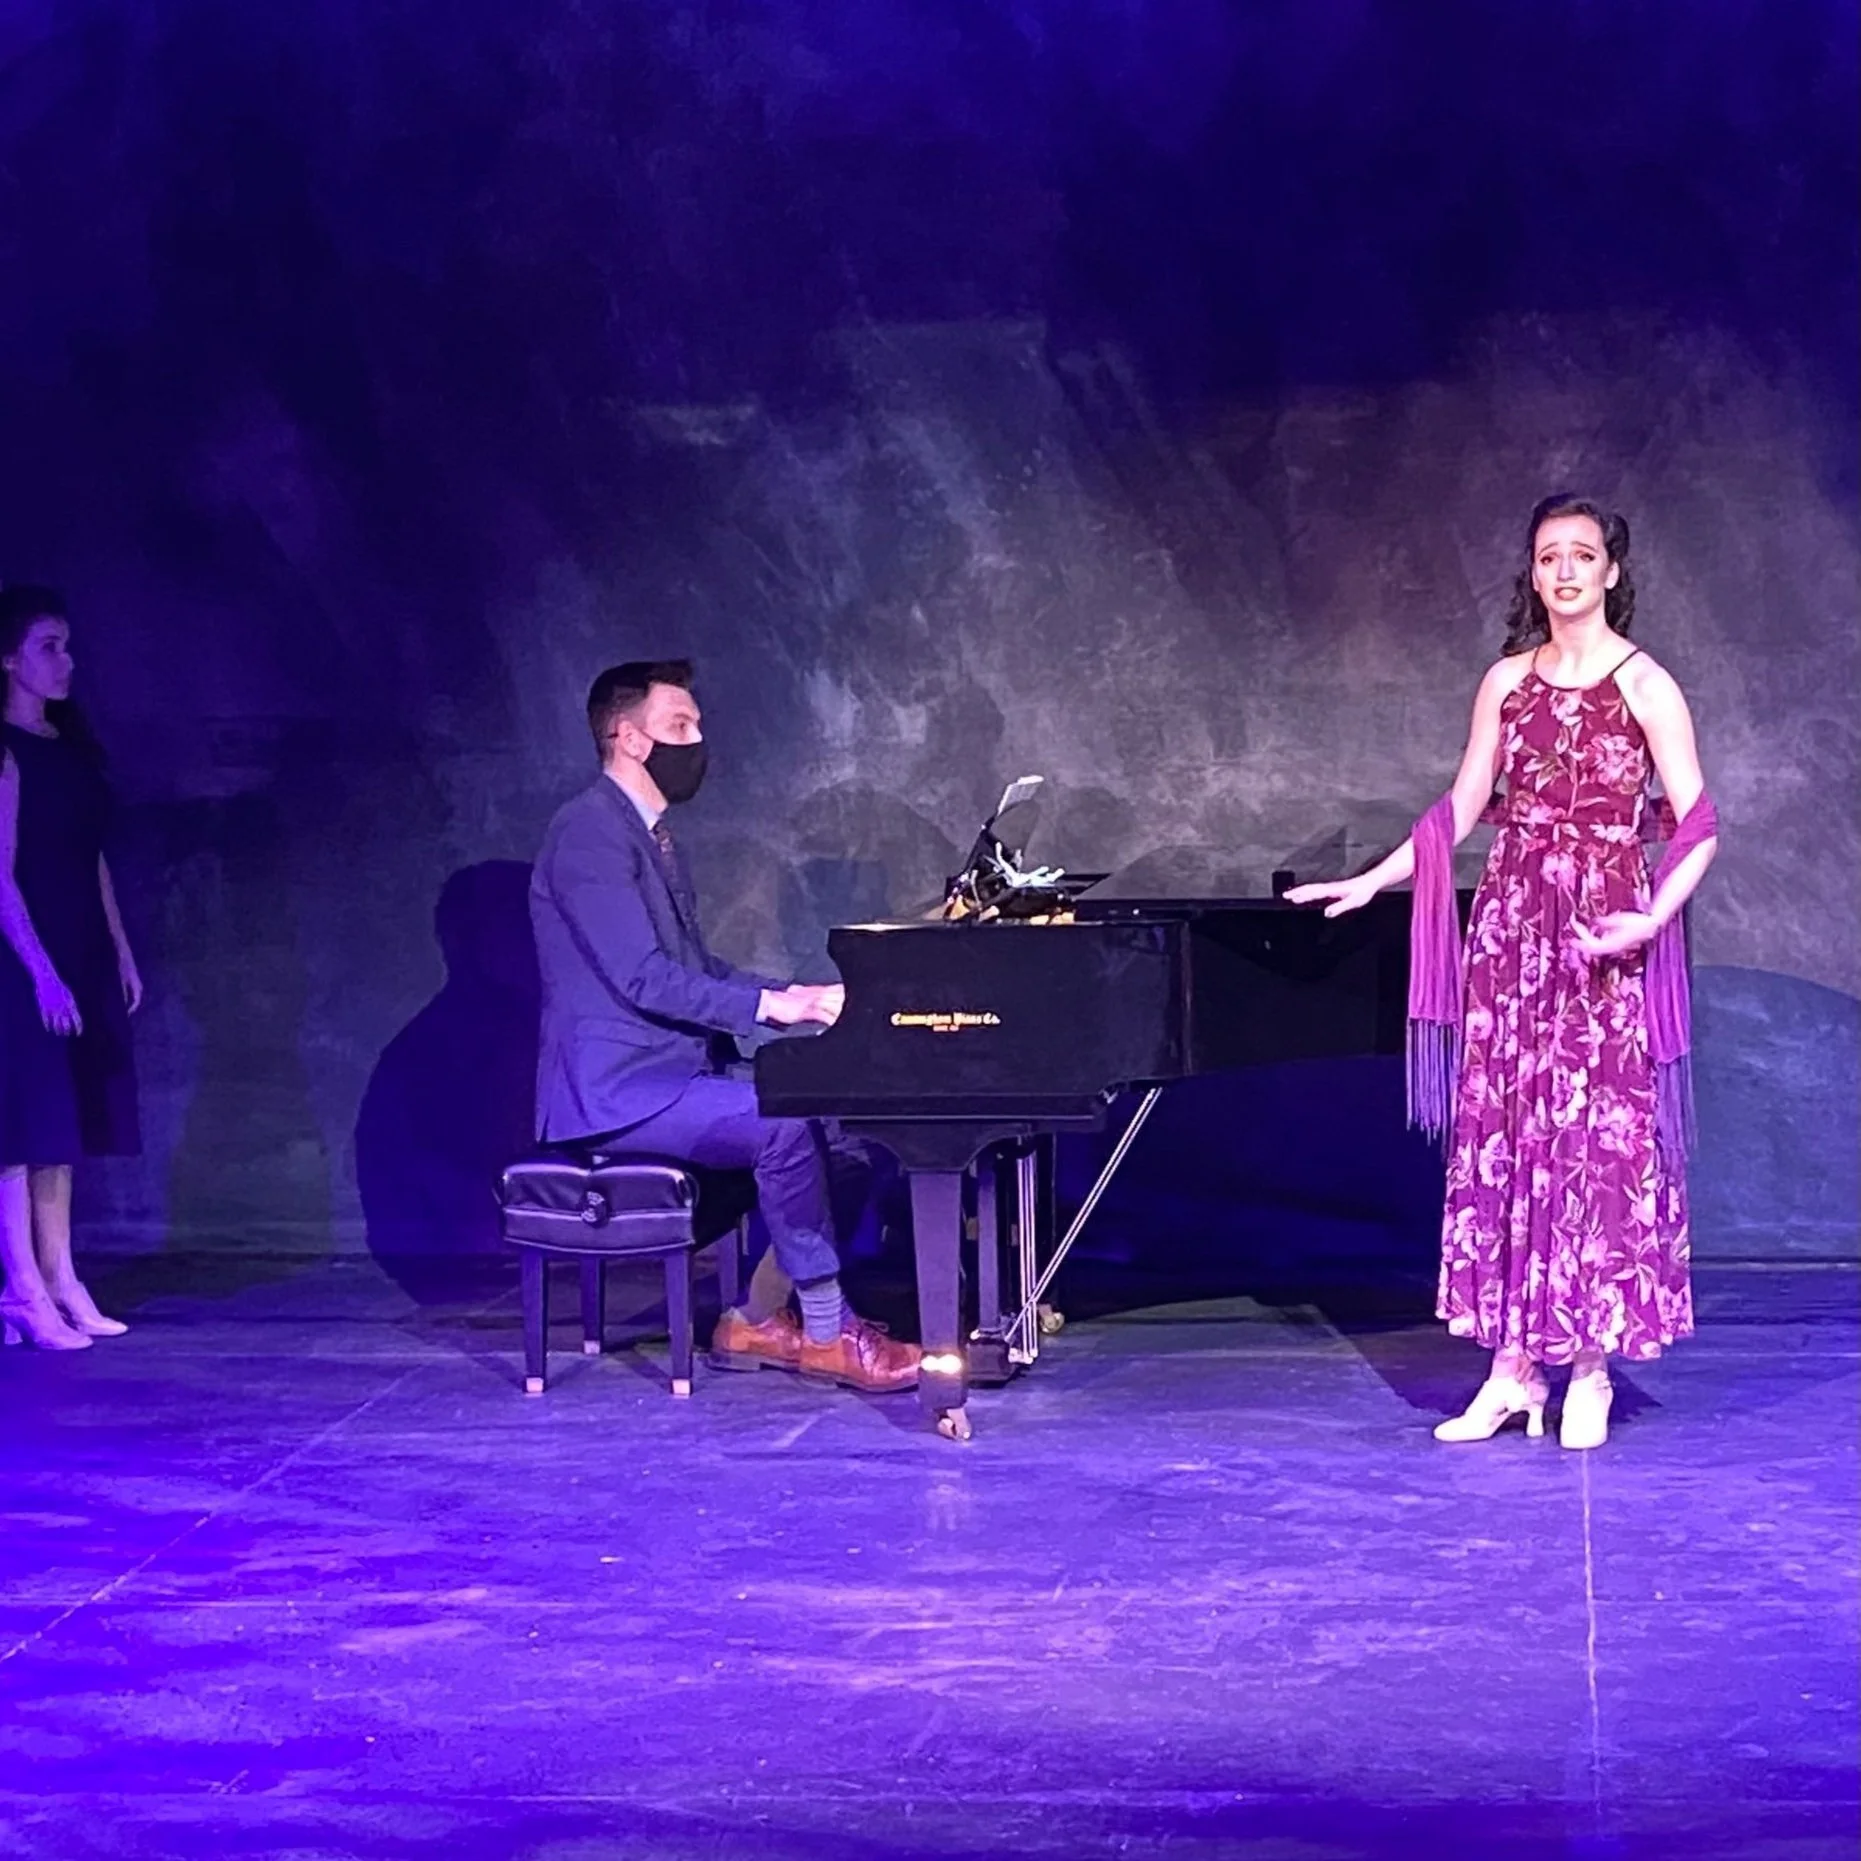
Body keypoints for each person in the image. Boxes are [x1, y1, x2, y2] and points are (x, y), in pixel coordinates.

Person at [1288, 495, 1718, 1449]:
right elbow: (1458, 810)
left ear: (1610, 571)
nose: (1564, 570)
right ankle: (1511, 1372)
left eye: (1582, 554)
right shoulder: (1505, 682)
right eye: (1548, 555)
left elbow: (1695, 824)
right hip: (1513, 933)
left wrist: (1651, 916)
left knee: (1594, 1144)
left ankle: (1589, 1367)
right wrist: (1371, 881)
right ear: (1532, 572)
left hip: (1601, 932)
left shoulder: (1645, 684)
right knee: (1511, 1137)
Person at [528, 658, 920, 1393]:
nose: (696, 741)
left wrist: (794, 993)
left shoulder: (649, 836)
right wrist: (771, 1009)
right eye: (679, 725)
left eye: (698, 725)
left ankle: (754, 1317)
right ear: (627, 737)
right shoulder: (588, 832)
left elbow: (696, 966)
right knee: (782, 1127)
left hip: (672, 1074)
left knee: (844, 1132)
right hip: (619, 1091)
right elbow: (642, 976)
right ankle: (829, 1333)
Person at [0, 585, 143, 1351]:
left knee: (63, 1122)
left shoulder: (69, 748)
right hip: (22, 952)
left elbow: (93, 860)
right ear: (8, 658)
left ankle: (61, 1278)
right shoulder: (5, 753)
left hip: (78, 943)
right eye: (49, 646)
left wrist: (117, 947)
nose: (66, 661)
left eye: (67, 645)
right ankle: (22, 1286)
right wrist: (41, 972)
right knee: (21, 1121)